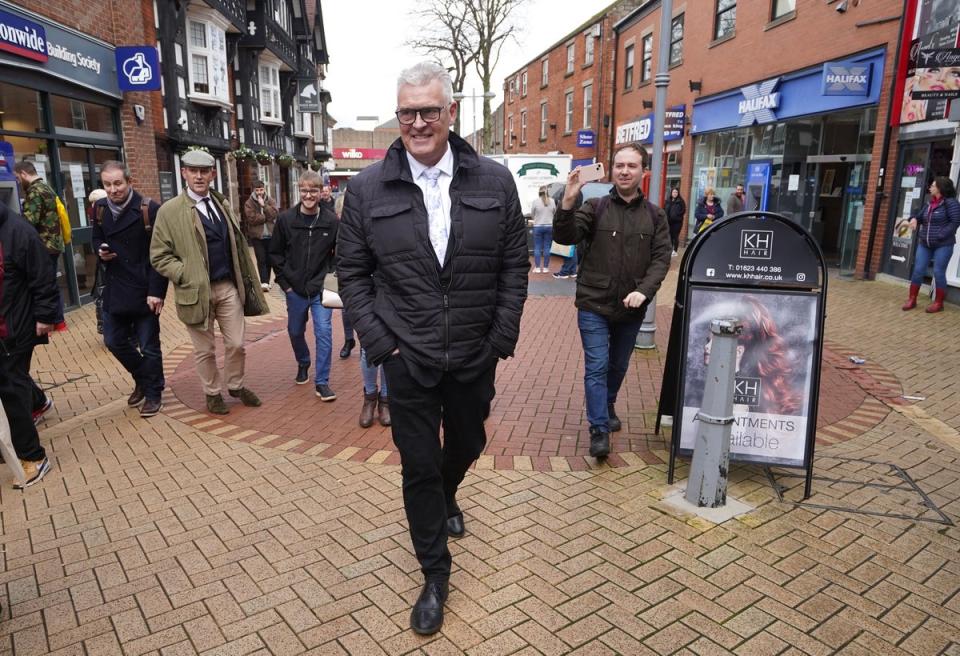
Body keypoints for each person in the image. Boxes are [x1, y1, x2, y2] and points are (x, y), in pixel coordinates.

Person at [337, 61, 528, 635]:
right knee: (417, 464)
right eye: (407, 112)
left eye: (429, 111)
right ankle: (434, 573)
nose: (418, 122)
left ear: (451, 113)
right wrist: (380, 344)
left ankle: (448, 495)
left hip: (474, 353)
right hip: (408, 356)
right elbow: (353, 274)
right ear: (399, 116)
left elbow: (514, 266)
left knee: (467, 442)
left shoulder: (494, 181)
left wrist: (499, 338)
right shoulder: (367, 188)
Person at [553, 143, 672, 458]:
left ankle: (606, 404)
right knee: (597, 365)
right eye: (619, 165)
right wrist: (568, 198)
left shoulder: (655, 216)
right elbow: (565, 237)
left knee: (618, 365)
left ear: (643, 171)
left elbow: (661, 260)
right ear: (612, 169)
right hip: (594, 303)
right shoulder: (595, 207)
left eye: (631, 166)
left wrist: (644, 291)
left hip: (631, 307)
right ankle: (598, 429)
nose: (624, 171)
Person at [150, 149, 268, 415]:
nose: (199, 176)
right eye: (193, 171)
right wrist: (185, 273)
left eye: (204, 171)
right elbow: (159, 256)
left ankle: (235, 385)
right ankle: (212, 393)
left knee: (236, 343)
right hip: (194, 291)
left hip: (227, 286)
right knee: (204, 350)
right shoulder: (169, 212)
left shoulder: (221, 203)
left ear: (213, 174)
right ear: (184, 174)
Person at [92, 161, 168, 418]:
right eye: (107, 184)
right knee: (114, 341)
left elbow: (161, 254)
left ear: (129, 182)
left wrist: (157, 291)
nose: (113, 189)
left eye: (117, 183)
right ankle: (143, 379)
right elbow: (96, 236)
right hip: (116, 288)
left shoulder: (149, 209)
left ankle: (154, 392)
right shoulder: (100, 209)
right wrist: (101, 250)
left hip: (145, 288)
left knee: (148, 346)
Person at [0, 199, 59, 488]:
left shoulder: (19, 231)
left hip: (16, 328)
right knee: (14, 382)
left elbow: (43, 278)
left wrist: (46, 316)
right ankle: (39, 401)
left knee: (10, 386)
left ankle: (33, 457)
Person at [270, 170, 338, 400]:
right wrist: (286, 285)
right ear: (299, 190)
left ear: (321, 192)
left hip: (321, 289)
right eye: (305, 190)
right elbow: (275, 254)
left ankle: (322, 382)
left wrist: (330, 277)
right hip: (295, 289)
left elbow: (338, 254)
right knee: (295, 331)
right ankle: (303, 361)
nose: (309, 195)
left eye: (314, 191)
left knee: (324, 333)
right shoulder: (286, 220)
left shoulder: (331, 221)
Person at [702, 295, 801, 416]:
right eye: (708, 341)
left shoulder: (741, 395)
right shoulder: (714, 384)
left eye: (716, 342)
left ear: (738, 351)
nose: (706, 347)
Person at [902, 176, 960, 313]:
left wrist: (940, 235)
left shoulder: (951, 203)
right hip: (925, 244)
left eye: (933, 186)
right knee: (918, 270)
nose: (930, 188)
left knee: (938, 272)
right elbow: (919, 216)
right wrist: (914, 219)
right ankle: (912, 299)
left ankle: (939, 303)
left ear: (940, 188)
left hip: (943, 244)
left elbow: (955, 222)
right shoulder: (930, 203)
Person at [242, 180, 279, 291]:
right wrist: (266, 217)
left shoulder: (270, 200)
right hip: (257, 236)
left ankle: (266, 281)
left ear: (264, 189)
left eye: (261, 189)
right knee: (261, 258)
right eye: (257, 190)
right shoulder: (249, 203)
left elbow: (274, 214)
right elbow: (252, 219)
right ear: (253, 190)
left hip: (271, 235)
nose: (259, 192)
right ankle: (263, 282)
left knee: (269, 259)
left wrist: (264, 206)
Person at [332, 194, 356, 358]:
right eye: (340, 213)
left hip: (364, 274)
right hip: (343, 274)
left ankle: (364, 344)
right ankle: (349, 339)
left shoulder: (361, 225)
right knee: (346, 310)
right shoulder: (336, 228)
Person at [88, 188, 109, 334]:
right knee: (101, 296)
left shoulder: (107, 217)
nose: (93, 207)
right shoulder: (97, 218)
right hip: (102, 265)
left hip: (110, 266)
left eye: (96, 203)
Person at [530, 186, 556, 273]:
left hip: (538, 226)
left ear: (539, 192)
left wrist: (537, 218)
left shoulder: (535, 201)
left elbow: (532, 214)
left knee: (537, 247)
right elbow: (554, 212)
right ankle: (545, 268)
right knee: (547, 247)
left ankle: (537, 268)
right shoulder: (552, 201)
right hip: (549, 226)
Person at [664, 187, 686, 255]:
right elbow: (664, 209)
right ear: (671, 193)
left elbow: (683, 210)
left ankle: (675, 250)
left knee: (675, 236)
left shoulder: (681, 201)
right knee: (669, 235)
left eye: (676, 192)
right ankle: (670, 249)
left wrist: (677, 215)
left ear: (678, 193)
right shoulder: (668, 200)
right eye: (673, 192)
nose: (675, 193)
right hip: (669, 221)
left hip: (677, 222)